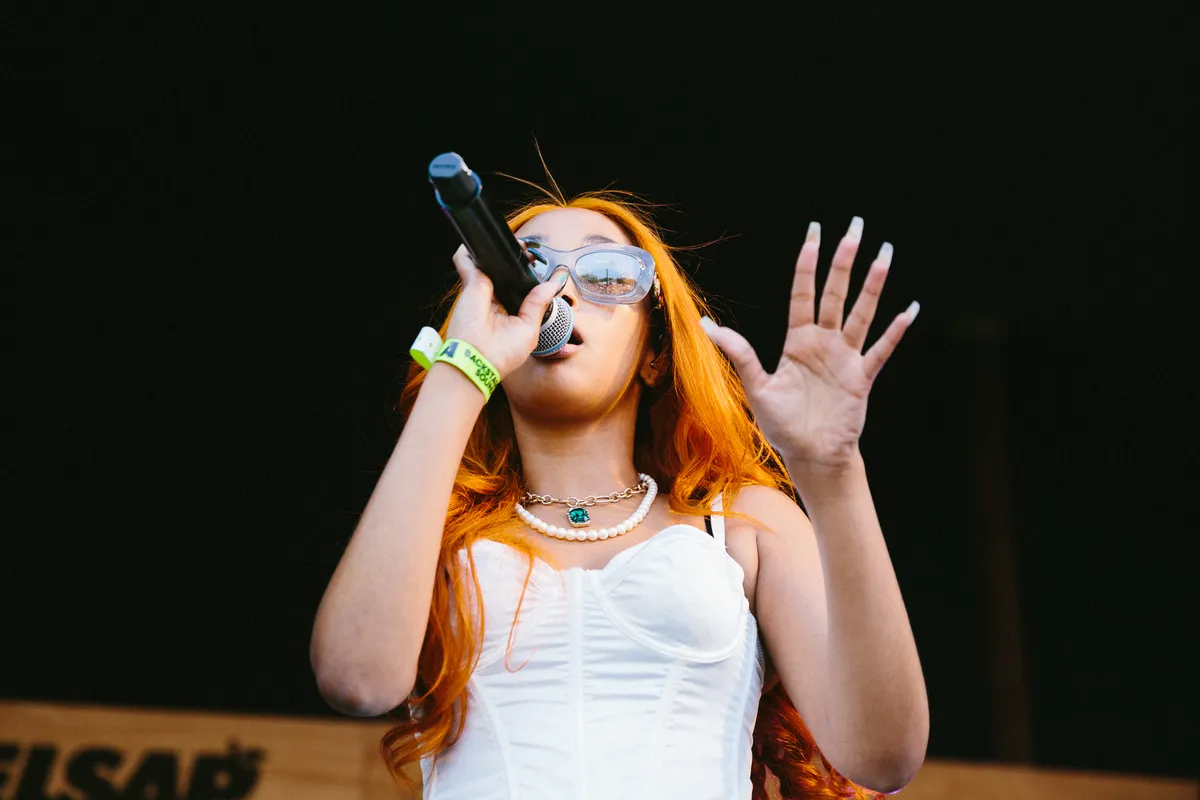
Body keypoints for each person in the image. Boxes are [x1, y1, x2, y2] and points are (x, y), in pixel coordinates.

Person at [310, 179, 930, 799]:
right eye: (526, 270)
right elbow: (357, 679)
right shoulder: (431, 529)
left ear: (654, 352)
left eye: (606, 273)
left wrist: (832, 472)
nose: (557, 291)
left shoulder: (744, 523)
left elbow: (882, 756)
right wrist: (464, 365)